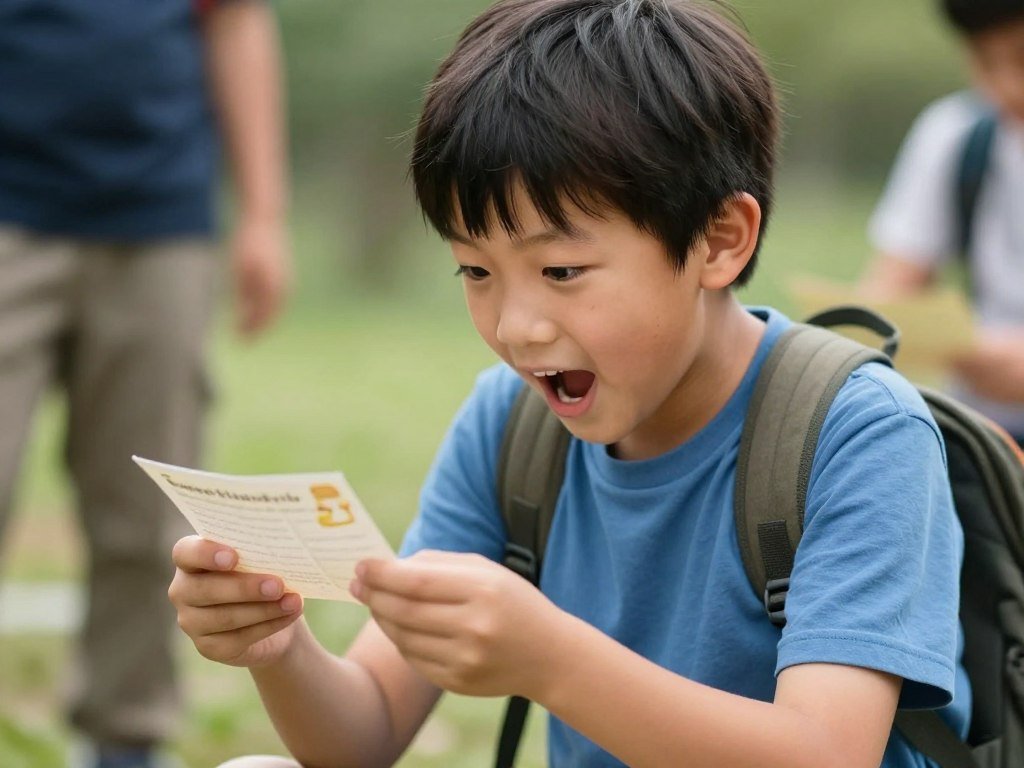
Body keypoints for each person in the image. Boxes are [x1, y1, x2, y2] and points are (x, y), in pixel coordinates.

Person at [169, 1, 968, 766]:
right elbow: (364, 731)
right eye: (476, 270)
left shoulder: (857, 433)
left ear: (720, 239)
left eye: (561, 270)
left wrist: (552, 660)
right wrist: (279, 649)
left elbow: (827, 756)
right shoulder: (511, 426)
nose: (517, 327)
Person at [0, 1, 290, 766]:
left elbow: (234, 20)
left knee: (146, 508)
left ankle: (124, 740)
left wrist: (264, 214)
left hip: (158, 217)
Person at [862, 0, 1024, 446]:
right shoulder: (954, 136)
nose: (1008, 85)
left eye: (1021, 58)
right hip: (984, 436)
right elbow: (889, 291)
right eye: (985, 62)